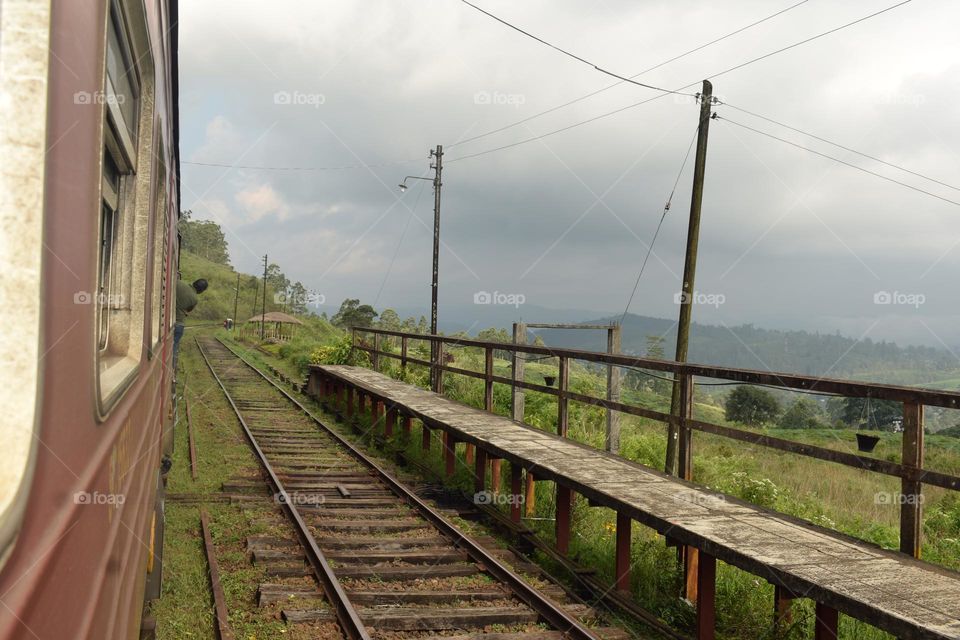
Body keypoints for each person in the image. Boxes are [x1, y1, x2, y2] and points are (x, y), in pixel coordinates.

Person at [173, 278, 207, 375]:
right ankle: (172, 371)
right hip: (179, 324)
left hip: (167, 319)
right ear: (201, 291)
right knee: (174, 348)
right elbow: (188, 310)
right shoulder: (194, 299)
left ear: (194, 282)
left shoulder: (178, 283)